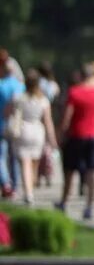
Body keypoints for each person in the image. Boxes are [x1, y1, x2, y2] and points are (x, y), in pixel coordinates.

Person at [57, 62, 94, 218]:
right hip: (93, 136)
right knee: (91, 172)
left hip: (76, 135)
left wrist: (61, 133)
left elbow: (67, 117)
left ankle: (65, 201)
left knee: (69, 171)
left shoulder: (74, 92)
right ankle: (89, 205)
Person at [9, 75, 56, 205]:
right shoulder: (43, 100)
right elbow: (48, 121)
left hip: (23, 130)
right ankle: (31, 188)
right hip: (37, 131)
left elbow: (10, 113)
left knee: (25, 163)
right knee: (34, 164)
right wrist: (52, 139)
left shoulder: (19, 98)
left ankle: (28, 191)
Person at [0, 55, 24, 198]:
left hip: (2, 123)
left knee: (1, 156)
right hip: (16, 126)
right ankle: (15, 184)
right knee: (14, 156)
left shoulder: (1, 85)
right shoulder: (21, 86)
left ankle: (5, 182)